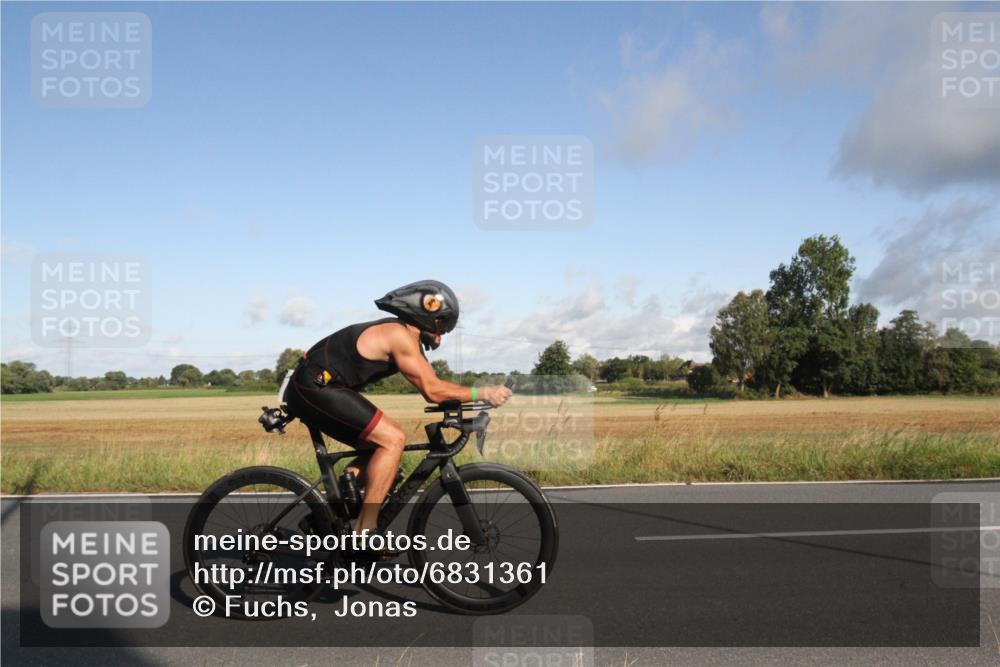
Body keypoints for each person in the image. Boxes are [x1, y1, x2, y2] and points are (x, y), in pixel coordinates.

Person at [283, 280, 512, 536]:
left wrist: (469, 403)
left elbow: (437, 387)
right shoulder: (398, 335)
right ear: (424, 314)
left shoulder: (406, 338)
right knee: (392, 440)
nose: (442, 335)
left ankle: (326, 518)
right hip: (314, 386)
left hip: (319, 386)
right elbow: (433, 391)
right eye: (442, 325)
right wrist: (484, 392)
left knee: (384, 462)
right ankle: (365, 531)